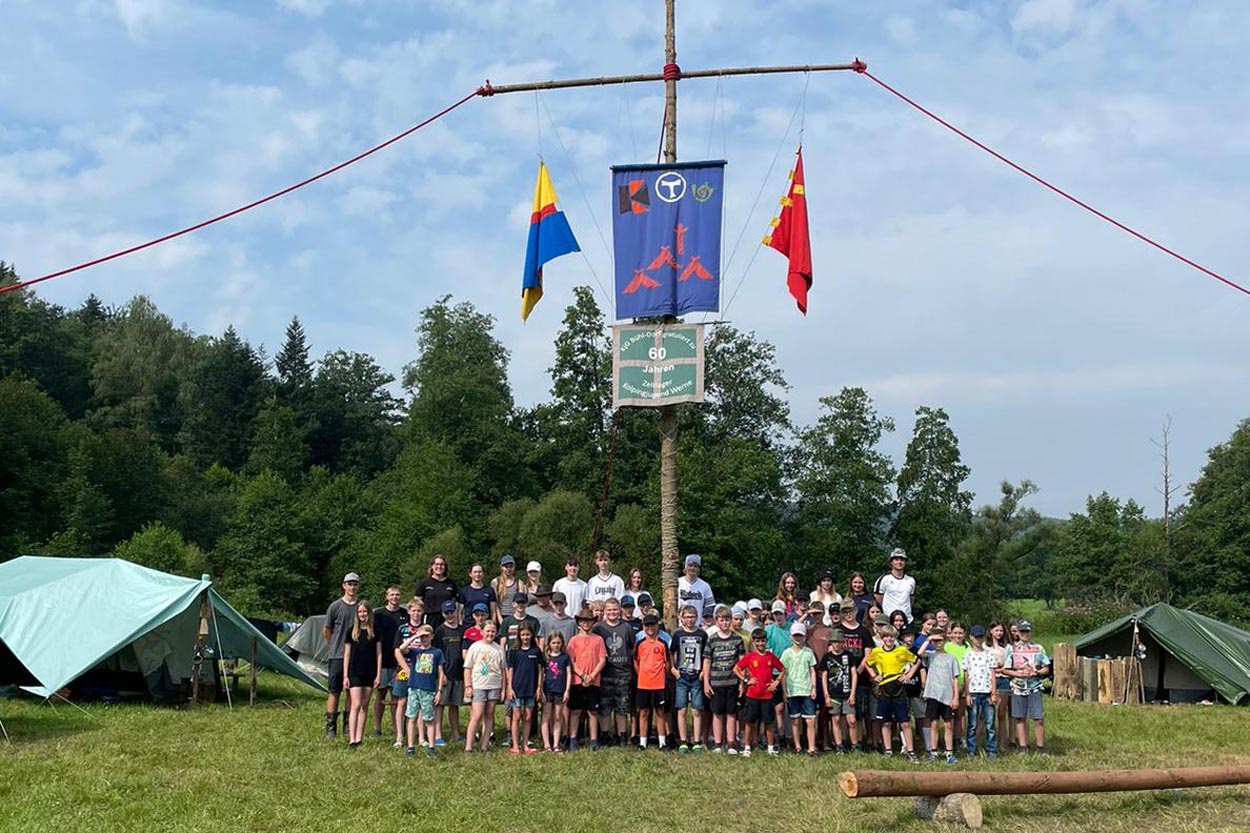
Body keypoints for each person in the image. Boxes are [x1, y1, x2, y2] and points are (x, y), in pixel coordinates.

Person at [863, 624, 919, 761]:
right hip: (884, 688)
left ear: (895, 637)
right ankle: (888, 750)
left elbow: (916, 661)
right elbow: (867, 664)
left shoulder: (901, 650)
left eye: (891, 637)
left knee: (905, 722)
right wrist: (874, 676)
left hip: (899, 688)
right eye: (886, 636)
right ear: (882, 638)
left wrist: (908, 675)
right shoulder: (877, 652)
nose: (889, 639)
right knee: (885, 722)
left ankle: (910, 751)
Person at [734, 627, 784, 757]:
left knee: (768, 722)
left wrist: (776, 682)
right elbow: (736, 669)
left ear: (766, 641)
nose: (760, 644)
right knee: (750, 722)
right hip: (752, 695)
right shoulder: (750, 656)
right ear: (754, 642)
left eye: (762, 641)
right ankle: (747, 747)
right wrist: (746, 680)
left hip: (767, 695)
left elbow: (783, 669)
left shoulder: (770, 657)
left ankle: (770, 748)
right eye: (757, 641)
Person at [322, 572, 360, 740]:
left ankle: (348, 725)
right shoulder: (335, 607)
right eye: (349, 584)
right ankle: (331, 727)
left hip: (356, 656)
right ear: (344, 586)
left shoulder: (362, 607)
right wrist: (334, 647)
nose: (352, 587)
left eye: (355, 584)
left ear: (358, 587)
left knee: (352, 692)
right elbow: (327, 630)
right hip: (337, 655)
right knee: (334, 691)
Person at [1003, 620, 1050, 755]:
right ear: (1017, 632)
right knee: (1020, 717)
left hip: (1034, 686)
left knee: (1038, 718)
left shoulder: (1038, 648)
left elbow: (1046, 668)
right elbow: (1005, 669)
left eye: (1027, 631)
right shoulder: (1011, 649)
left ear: (1031, 632)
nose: (1025, 634)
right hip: (1018, 688)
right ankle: (1023, 747)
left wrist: (1037, 672)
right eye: (1022, 631)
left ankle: (1040, 748)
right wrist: (1018, 674)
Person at [397, 624, 444, 758]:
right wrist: (416, 637)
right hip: (413, 688)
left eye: (426, 636)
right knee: (411, 717)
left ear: (432, 637)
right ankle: (411, 746)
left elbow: (440, 673)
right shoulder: (414, 651)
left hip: (428, 689)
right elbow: (401, 649)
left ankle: (431, 746)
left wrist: (439, 690)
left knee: (429, 718)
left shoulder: (437, 652)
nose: (424, 639)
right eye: (422, 637)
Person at [593, 598, 634, 746]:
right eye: (609, 610)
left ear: (620, 610)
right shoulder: (598, 628)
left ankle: (621, 735)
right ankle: (604, 735)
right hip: (605, 673)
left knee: (621, 707)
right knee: (604, 707)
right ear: (604, 611)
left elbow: (631, 649)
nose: (612, 612)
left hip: (623, 673)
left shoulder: (627, 627)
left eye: (615, 609)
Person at [341, 600, 381, 748]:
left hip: (370, 672)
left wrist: (378, 674)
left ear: (369, 613)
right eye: (360, 612)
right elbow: (346, 654)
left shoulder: (375, 631)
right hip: (354, 671)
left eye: (364, 611)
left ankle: (359, 738)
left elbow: (379, 653)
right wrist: (345, 675)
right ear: (357, 614)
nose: (362, 614)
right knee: (356, 704)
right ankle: (352, 738)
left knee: (365, 705)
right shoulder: (351, 631)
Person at [706, 604, 744, 754]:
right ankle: (717, 743)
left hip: (732, 681)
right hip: (716, 681)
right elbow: (707, 661)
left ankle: (731, 743)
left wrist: (742, 682)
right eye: (721, 620)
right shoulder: (712, 639)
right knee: (717, 713)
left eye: (727, 620)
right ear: (716, 621)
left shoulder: (737, 639)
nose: (724, 623)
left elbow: (742, 663)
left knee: (731, 713)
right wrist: (706, 682)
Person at [671, 604, 709, 753]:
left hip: (696, 677)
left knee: (696, 710)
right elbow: (671, 652)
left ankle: (697, 740)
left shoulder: (702, 634)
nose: (690, 620)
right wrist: (674, 670)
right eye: (687, 617)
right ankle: (683, 741)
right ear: (681, 618)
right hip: (682, 676)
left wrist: (703, 673)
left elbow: (707, 655)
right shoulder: (678, 635)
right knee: (681, 709)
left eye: (692, 616)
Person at [566, 608, 606, 751]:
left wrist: (592, 675)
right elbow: (571, 661)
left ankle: (594, 740)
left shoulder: (598, 639)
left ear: (593, 622)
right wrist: (582, 675)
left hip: (594, 680)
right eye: (583, 621)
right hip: (577, 681)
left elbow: (602, 660)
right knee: (576, 711)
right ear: (579, 622)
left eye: (589, 621)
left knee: (592, 711)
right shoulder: (574, 640)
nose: (586, 623)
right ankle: (572, 739)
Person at [462, 620, 505, 753]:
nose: (490, 633)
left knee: (489, 714)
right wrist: (468, 686)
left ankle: (484, 745)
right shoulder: (475, 647)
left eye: (493, 631)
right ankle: (468, 746)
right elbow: (467, 668)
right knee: (477, 715)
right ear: (482, 632)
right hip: (478, 685)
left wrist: (503, 688)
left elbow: (503, 670)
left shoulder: (499, 649)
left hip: (494, 685)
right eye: (488, 631)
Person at [919, 628, 960, 763]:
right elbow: (920, 653)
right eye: (935, 641)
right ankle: (934, 752)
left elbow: (955, 678)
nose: (938, 643)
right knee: (934, 724)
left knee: (948, 725)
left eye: (940, 640)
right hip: (933, 694)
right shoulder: (930, 655)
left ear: (945, 640)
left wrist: (956, 697)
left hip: (947, 696)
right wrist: (929, 639)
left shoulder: (951, 658)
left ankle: (949, 753)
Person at [372, 586, 408, 738]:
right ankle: (377, 727)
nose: (395, 597)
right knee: (380, 694)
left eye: (397, 594)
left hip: (399, 662)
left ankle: (396, 728)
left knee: (396, 696)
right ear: (387, 596)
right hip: (383, 660)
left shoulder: (404, 614)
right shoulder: (378, 614)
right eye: (392, 594)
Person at [836, 600, 872, 751]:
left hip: (861, 677)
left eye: (850, 610)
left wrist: (859, 669)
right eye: (844, 611)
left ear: (856, 611)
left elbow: (868, 653)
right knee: (843, 713)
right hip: (842, 678)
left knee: (859, 713)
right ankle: (844, 742)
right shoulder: (838, 630)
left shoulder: (864, 631)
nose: (848, 614)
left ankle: (858, 742)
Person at [781, 621, 819, 755]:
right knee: (795, 720)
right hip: (792, 690)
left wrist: (814, 688)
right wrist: (785, 691)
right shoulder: (786, 653)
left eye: (800, 635)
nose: (798, 638)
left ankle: (811, 747)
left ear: (804, 636)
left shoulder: (808, 652)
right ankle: (797, 746)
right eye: (795, 635)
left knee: (810, 720)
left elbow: (812, 671)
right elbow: (783, 673)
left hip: (806, 690)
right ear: (791, 636)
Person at [390, 598, 422, 748]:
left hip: (422, 670)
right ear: (409, 611)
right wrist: (407, 669)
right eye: (413, 610)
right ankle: (399, 736)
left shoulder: (425, 628)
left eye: (419, 611)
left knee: (420, 703)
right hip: (403, 669)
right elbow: (397, 650)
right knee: (401, 702)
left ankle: (419, 736)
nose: (416, 614)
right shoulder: (402, 629)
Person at [505, 623, 542, 754]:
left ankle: (525, 744)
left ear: (532, 635)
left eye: (528, 634)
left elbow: (540, 670)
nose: (525, 637)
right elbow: (510, 670)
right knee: (516, 716)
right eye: (523, 635)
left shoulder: (536, 651)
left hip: (530, 688)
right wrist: (509, 687)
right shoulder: (514, 651)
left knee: (527, 717)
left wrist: (539, 688)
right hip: (517, 689)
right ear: (519, 636)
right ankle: (515, 745)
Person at [963, 624, 998, 758]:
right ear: (971, 638)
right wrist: (967, 694)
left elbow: (993, 674)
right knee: (972, 724)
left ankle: (991, 750)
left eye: (981, 637)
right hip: (973, 693)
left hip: (987, 692)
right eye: (976, 637)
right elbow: (966, 675)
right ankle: (971, 750)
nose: (978, 639)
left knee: (990, 724)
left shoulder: (988, 655)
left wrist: (993, 693)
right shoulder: (968, 655)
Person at [634, 613, 669, 749]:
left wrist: (659, 675)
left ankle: (662, 742)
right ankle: (643, 742)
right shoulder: (640, 644)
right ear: (643, 627)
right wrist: (642, 674)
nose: (650, 628)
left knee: (660, 712)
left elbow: (667, 664)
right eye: (647, 625)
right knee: (643, 712)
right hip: (643, 684)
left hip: (659, 684)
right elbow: (636, 662)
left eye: (652, 625)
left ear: (657, 626)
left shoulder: (662, 643)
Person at [432, 600, 464, 746]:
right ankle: (437, 735)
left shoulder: (462, 630)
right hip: (444, 673)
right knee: (440, 705)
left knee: (454, 705)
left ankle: (455, 734)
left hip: (459, 673)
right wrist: (441, 674)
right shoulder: (440, 631)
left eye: (452, 612)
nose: (450, 615)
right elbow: (437, 654)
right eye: (447, 613)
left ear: (456, 612)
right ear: (443, 614)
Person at [819, 628, 857, 753]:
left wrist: (852, 693)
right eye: (834, 642)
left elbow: (854, 674)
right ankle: (839, 745)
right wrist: (826, 695)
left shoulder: (848, 655)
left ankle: (854, 745)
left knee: (851, 720)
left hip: (847, 692)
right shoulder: (827, 657)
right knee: (835, 719)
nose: (836, 644)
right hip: (833, 693)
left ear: (843, 642)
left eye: (839, 642)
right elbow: (824, 676)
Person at [540, 631, 571, 752]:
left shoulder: (564, 657)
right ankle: (547, 744)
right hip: (547, 690)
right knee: (546, 716)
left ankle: (556, 744)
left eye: (558, 643)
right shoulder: (546, 657)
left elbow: (568, 674)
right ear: (549, 643)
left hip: (560, 690)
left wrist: (567, 690)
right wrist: (540, 690)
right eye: (553, 643)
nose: (556, 645)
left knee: (558, 716)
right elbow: (541, 673)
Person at [944, 622, 970, 747]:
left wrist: (964, 686)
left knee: (960, 713)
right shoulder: (947, 647)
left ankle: (960, 737)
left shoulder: (968, 647)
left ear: (964, 634)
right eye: (955, 633)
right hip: (949, 684)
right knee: (949, 714)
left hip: (964, 683)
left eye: (960, 633)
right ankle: (950, 738)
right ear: (951, 633)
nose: (958, 635)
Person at [874, 548, 916, 623]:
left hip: (907, 620)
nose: (899, 562)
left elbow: (911, 600)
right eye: (896, 559)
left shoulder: (911, 580)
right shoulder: (884, 579)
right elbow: (878, 599)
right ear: (891, 562)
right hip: (889, 620)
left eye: (902, 560)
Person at [986, 621, 1011, 746]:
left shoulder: (1006, 648)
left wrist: (1000, 668)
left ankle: (1002, 743)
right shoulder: (985, 647)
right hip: (988, 680)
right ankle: (985, 741)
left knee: (1001, 713)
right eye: (997, 630)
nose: (999, 633)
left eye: (1001, 631)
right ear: (990, 631)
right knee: (986, 714)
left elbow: (1008, 664)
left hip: (1003, 679)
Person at [414, 555, 457, 627]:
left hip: (446, 617)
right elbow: (417, 602)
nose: (439, 567)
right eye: (436, 564)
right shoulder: (424, 583)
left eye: (442, 564)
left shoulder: (451, 583)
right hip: (430, 617)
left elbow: (455, 601)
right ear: (432, 566)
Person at [491, 555, 520, 623]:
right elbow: (495, 603)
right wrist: (500, 619)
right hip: (501, 616)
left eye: (511, 566)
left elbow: (520, 602)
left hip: (514, 616)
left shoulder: (519, 582)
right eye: (506, 567)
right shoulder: (495, 582)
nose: (508, 569)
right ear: (501, 567)